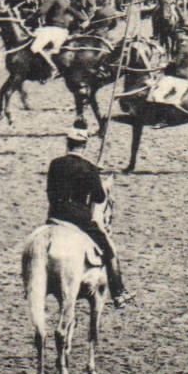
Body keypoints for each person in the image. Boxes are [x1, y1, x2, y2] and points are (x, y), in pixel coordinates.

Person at [45, 126, 130, 304]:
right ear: (84, 145)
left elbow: (50, 192)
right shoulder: (88, 167)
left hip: (54, 216)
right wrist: (93, 176)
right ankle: (118, 292)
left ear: (67, 143)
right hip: (79, 219)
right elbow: (99, 197)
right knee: (109, 250)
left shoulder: (55, 163)